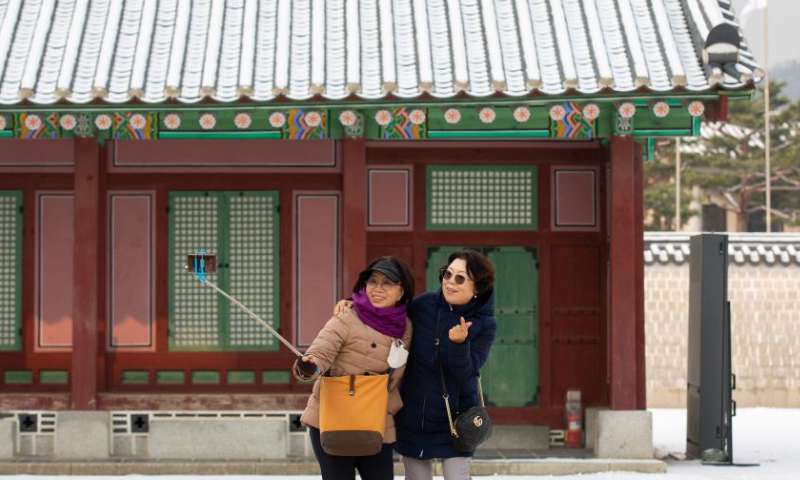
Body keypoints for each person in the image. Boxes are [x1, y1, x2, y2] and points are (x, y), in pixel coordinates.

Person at [335, 249, 497, 480]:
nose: (450, 282)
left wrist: (460, 344)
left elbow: (466, 373)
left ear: (478, 288)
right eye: (447, 274)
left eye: (460, 278)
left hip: (455, 419)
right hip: (414, 416)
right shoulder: (424, 305)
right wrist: (353, 303)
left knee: (457, 477)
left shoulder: (485, 324)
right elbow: (387, 309)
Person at [293, 256, 415, 480]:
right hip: (334, 418)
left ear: (402, 291)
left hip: (377, 418)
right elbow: (321, 351)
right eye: (373, 282)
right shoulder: (347, 317)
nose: (378, 289)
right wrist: (310, 366)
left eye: (388, 283)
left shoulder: (405, 326)